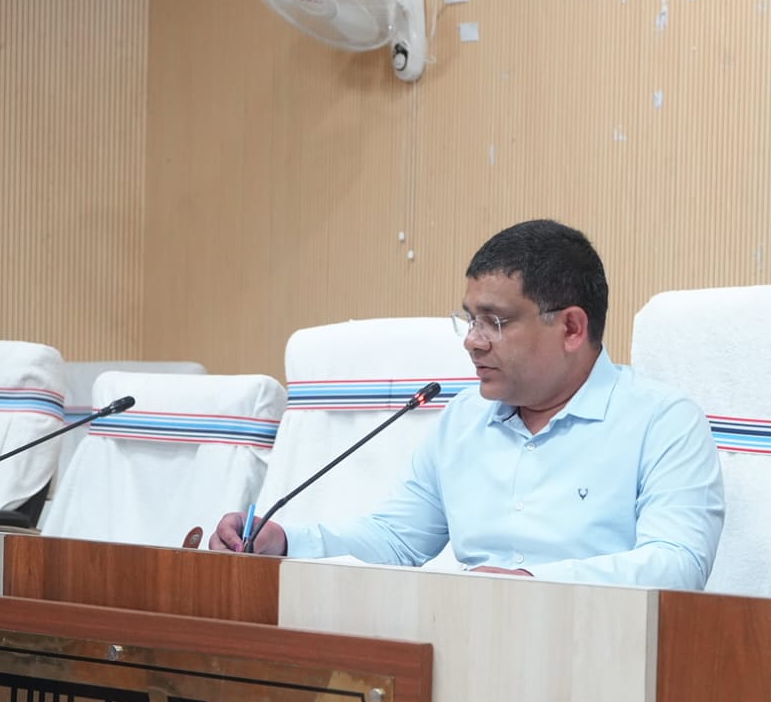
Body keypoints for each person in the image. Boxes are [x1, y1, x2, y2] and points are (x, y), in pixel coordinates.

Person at [212, 219, 725, 590]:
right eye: (470, 319)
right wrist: (286, 542)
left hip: (598, 655)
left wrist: (530, 585)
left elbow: (677, 564)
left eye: (494, 322)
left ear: (571, 327)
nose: (472, 341)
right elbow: (398, 540)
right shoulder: (463, 418)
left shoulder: (662, 421)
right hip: (465, 648)